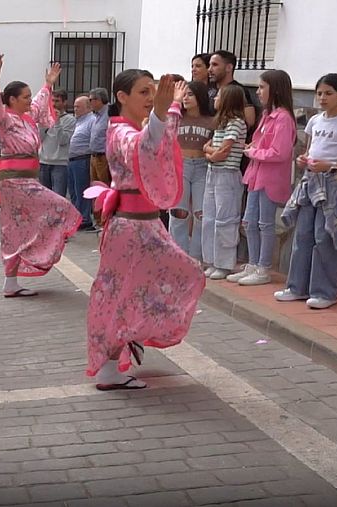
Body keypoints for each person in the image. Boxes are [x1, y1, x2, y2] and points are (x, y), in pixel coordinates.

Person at [85, 71, 204, 390]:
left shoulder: (136, 127)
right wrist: (164, 112)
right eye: (143, 92)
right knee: (121, 294)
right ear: (122, 97)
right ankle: (112, 363)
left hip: (145, 225)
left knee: (162, 281)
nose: (151, 97)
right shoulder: (119, 131)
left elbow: (160, 142)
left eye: (154, 91)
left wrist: (171, 109)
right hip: (131, 229)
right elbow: (142, 149)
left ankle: (130, 335)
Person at [0, 55, 81, 297]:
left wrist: (49, 84)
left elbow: (40, 101)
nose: (28, 100)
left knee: (17, 227)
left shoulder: (28, 116)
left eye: (28, 96)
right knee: (58, 205)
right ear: (11, 100)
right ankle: (39, 253)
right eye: (24, 96)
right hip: (14, 180)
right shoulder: (4, 117)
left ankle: (11, 281)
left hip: (27, 178)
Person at [276, 73, 337, 310]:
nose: (322, 98)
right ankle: (297, 287)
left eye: (328, 93)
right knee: (302, 234)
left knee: (325, 236)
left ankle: (325, 292)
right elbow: (308, 150)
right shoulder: (315, 121)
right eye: (319, 93)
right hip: (310, 182)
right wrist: (304, 161)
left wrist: (331, 166)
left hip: (333, 185)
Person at [228, 70, 296, 286]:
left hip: (270, 179)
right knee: (249, 222)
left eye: (262, 87)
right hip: (256, 176)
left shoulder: (283, 118)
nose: (258, 92)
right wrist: (253, 148)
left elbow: (280, 152)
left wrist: (252, 152)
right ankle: (253, 263)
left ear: (274, 89)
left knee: (265, 223)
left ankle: (263, 267)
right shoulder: (267, 115)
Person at [202, 85, 247, 279]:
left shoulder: (236, 123)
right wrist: (212, 153)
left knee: (225, 219)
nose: (215, 98)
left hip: (227, 174)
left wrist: (210, 154)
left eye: (219, 95)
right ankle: (211, 260)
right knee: (209, 219)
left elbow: (222, 152)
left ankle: (224, 263)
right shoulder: (221, 123)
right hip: (214, 173)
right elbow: (209, 147)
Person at [169, 80, 215, 260]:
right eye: (184, 94)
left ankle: (196, 256)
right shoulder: (176, 116)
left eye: (190, 94)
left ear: (200, 97)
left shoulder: (211, 120)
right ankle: (178, 254)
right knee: (179, 212)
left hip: (202, 167)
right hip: (180, 165)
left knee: (201, 213)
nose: (186, 98)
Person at [67, 95, 97, 231]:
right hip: (72, 160)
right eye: (74, 106)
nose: (75, 109)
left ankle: (85, 219)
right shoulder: (77, 121)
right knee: (73, 191)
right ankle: (77, 217)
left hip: (83, 159)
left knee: (82, 191)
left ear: (88, 107)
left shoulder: (91, 120)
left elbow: (94, 139)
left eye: (78, 107)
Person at [38, 91, 75, 197]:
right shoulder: (46, 118)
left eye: (57, 101)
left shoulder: (70, 120)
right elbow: (40, 138)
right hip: (43, 162)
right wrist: (42, 124)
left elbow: (63, 141)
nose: (54, 104)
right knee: (44, 196)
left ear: (64, 102)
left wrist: (57, 122)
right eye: (52, 101)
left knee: (58, 197)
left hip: (60, 164)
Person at [208, 50, 257, 131]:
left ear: (229, 67)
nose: (209, 69)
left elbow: (250, 122)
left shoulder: (239, 90)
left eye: (215, 65)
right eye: (209, 65)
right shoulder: (209, 88)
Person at [87, 87, 112, 189]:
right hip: (94, 157)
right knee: (95, 188)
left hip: (104, 158)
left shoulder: (110, 114)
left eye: (90, 100)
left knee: (104, 188)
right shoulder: (96, 116)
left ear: (99, 100)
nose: (89, 103)